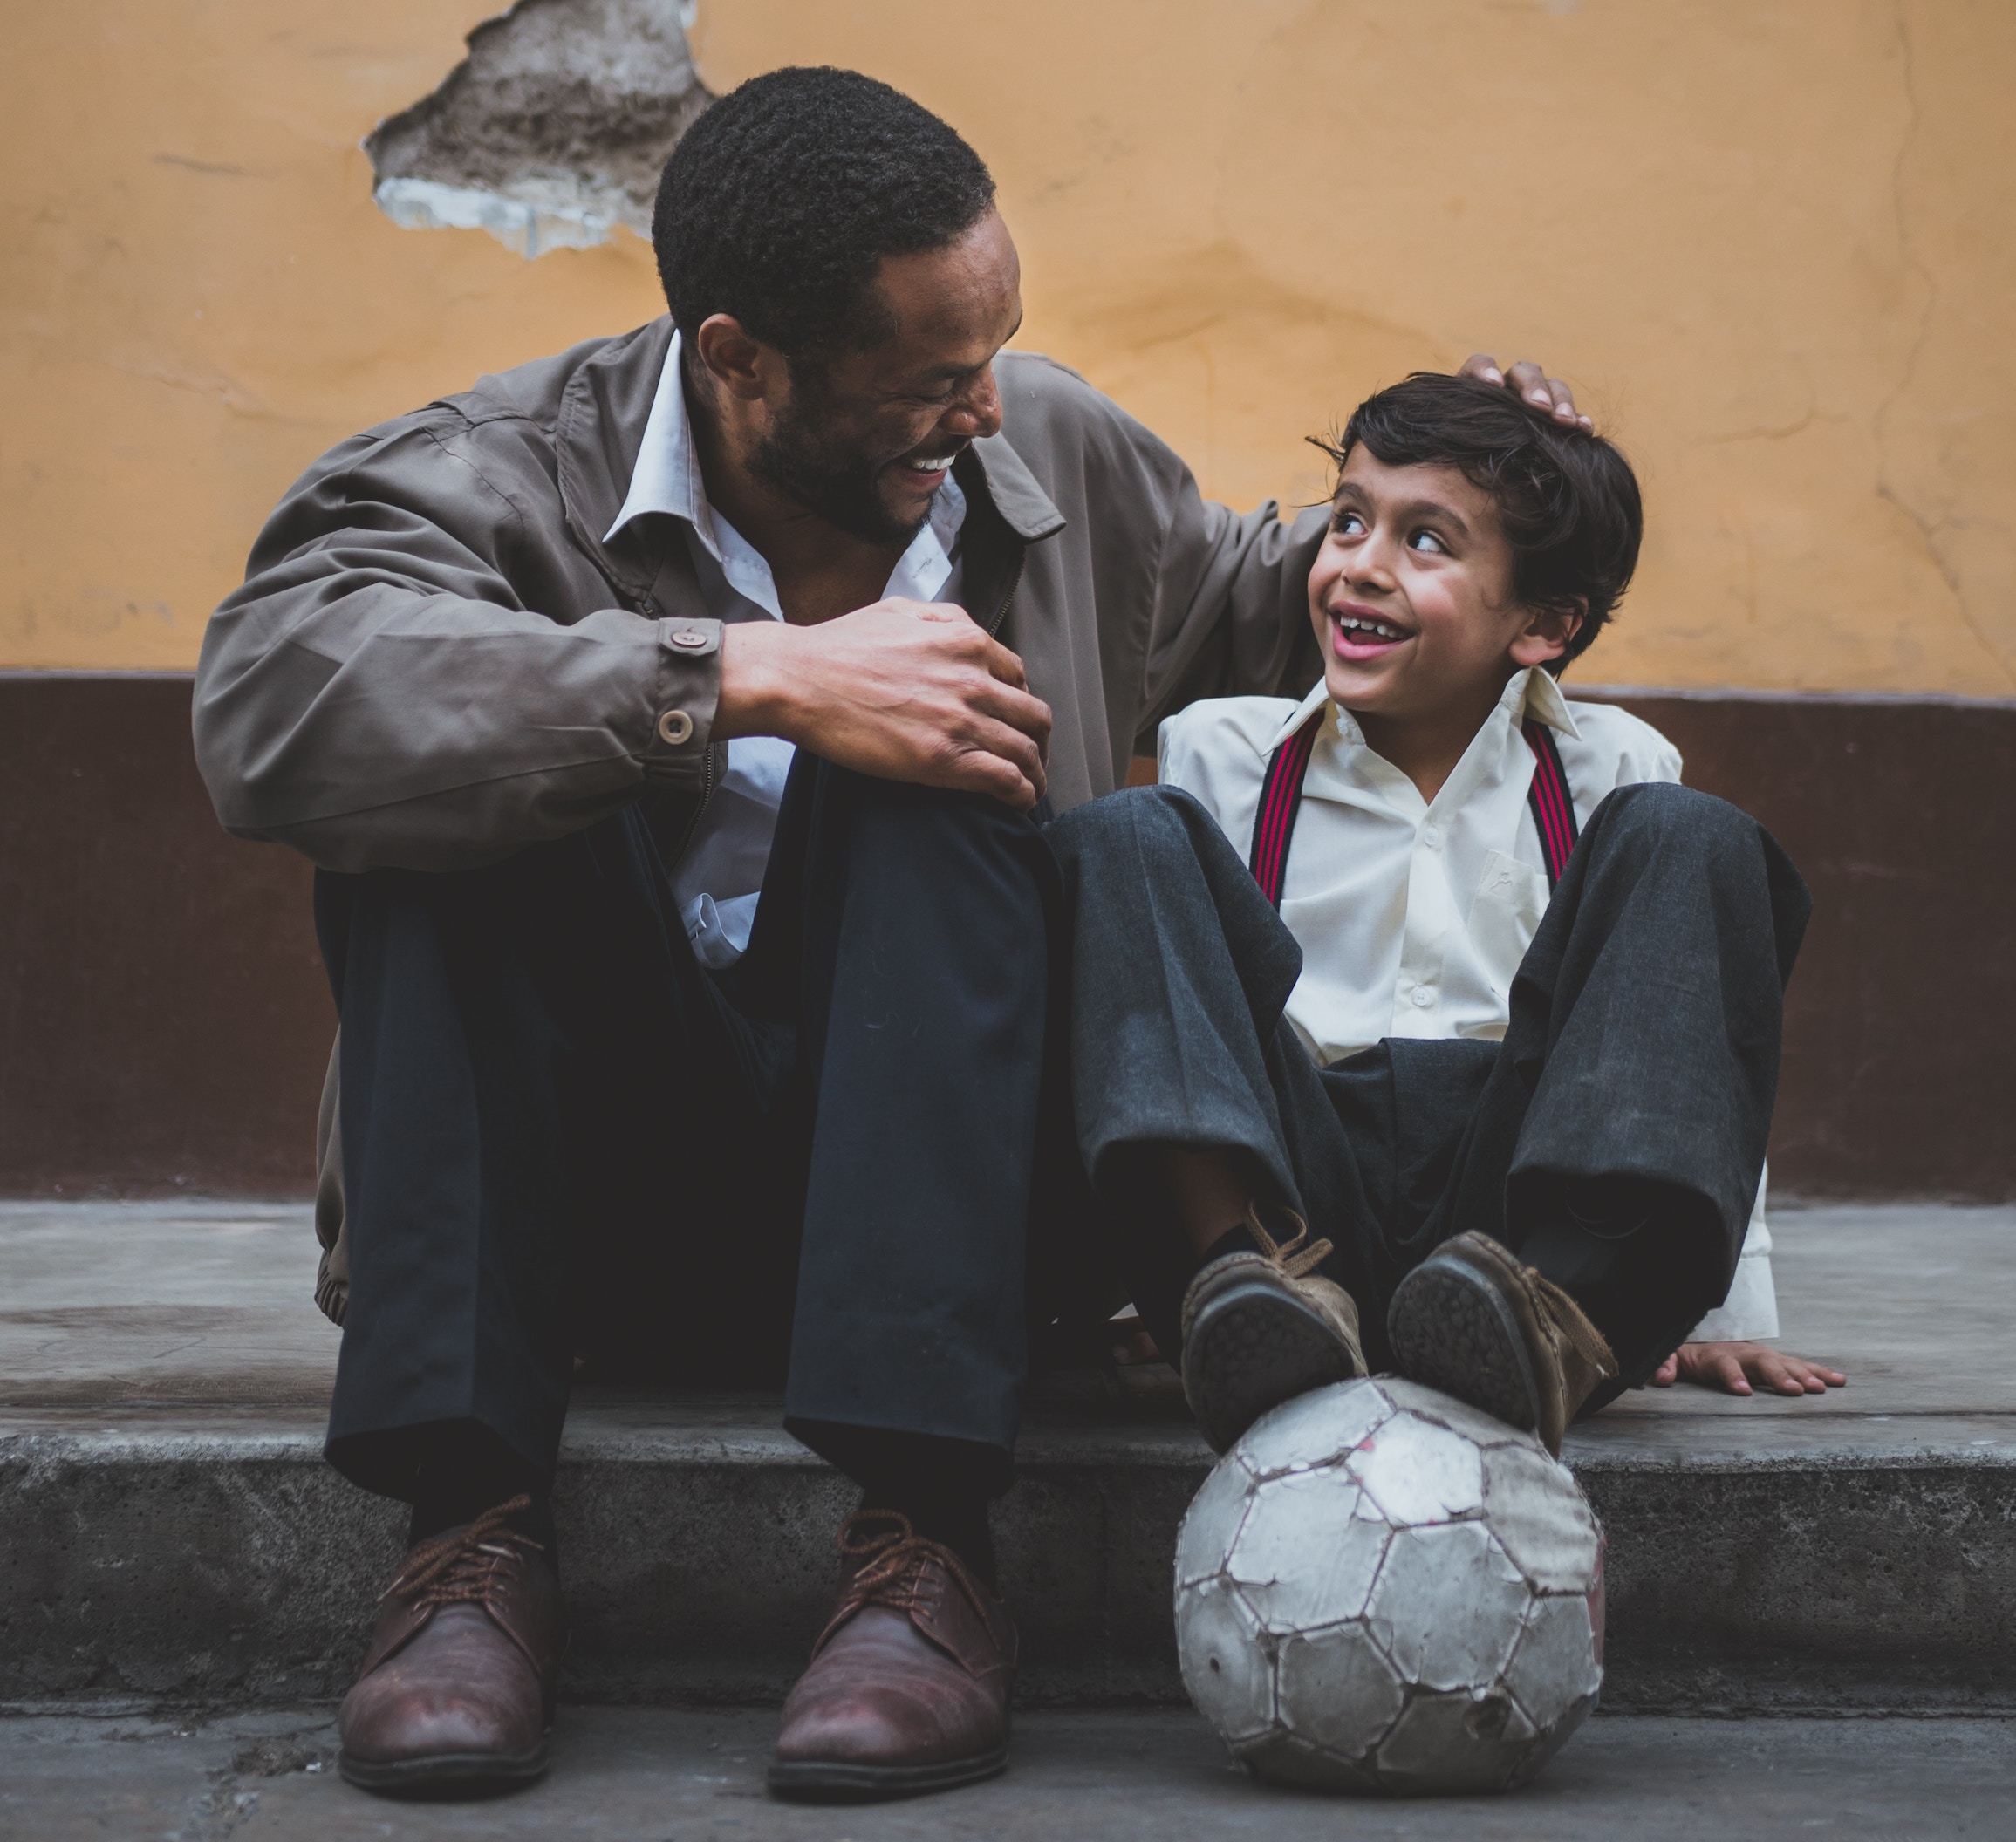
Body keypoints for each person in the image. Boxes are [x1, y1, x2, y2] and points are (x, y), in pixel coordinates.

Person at [193, 68, 1592, 1802]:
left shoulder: (1045, 449)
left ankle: (923, 1553)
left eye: (993, 351)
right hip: (576, 1222)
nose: (982, 407)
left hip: (953, 1216)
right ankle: (466, 1545)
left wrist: (1480, 507)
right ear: (742, 362)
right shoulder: (496, 481)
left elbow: (1261, 604)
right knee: (450, 783)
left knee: (950, 731)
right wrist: (743, 675)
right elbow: (270, 701)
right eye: (928, 381)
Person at [1049, 371, 1846, 1469]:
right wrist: (1164, 1270)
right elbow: (1173, 1023)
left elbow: (1686, 1029)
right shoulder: (1223, 751)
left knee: (1695, 835)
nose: (1357, 565)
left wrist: (1724, 1309)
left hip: (1514, 1228)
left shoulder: (1613, 769)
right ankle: (1232, 1288)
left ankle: (1560, 1323)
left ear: (1544, 624)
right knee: (1125, 833)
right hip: (1294, 1204)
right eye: (1346, 521)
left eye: (1425, 541)